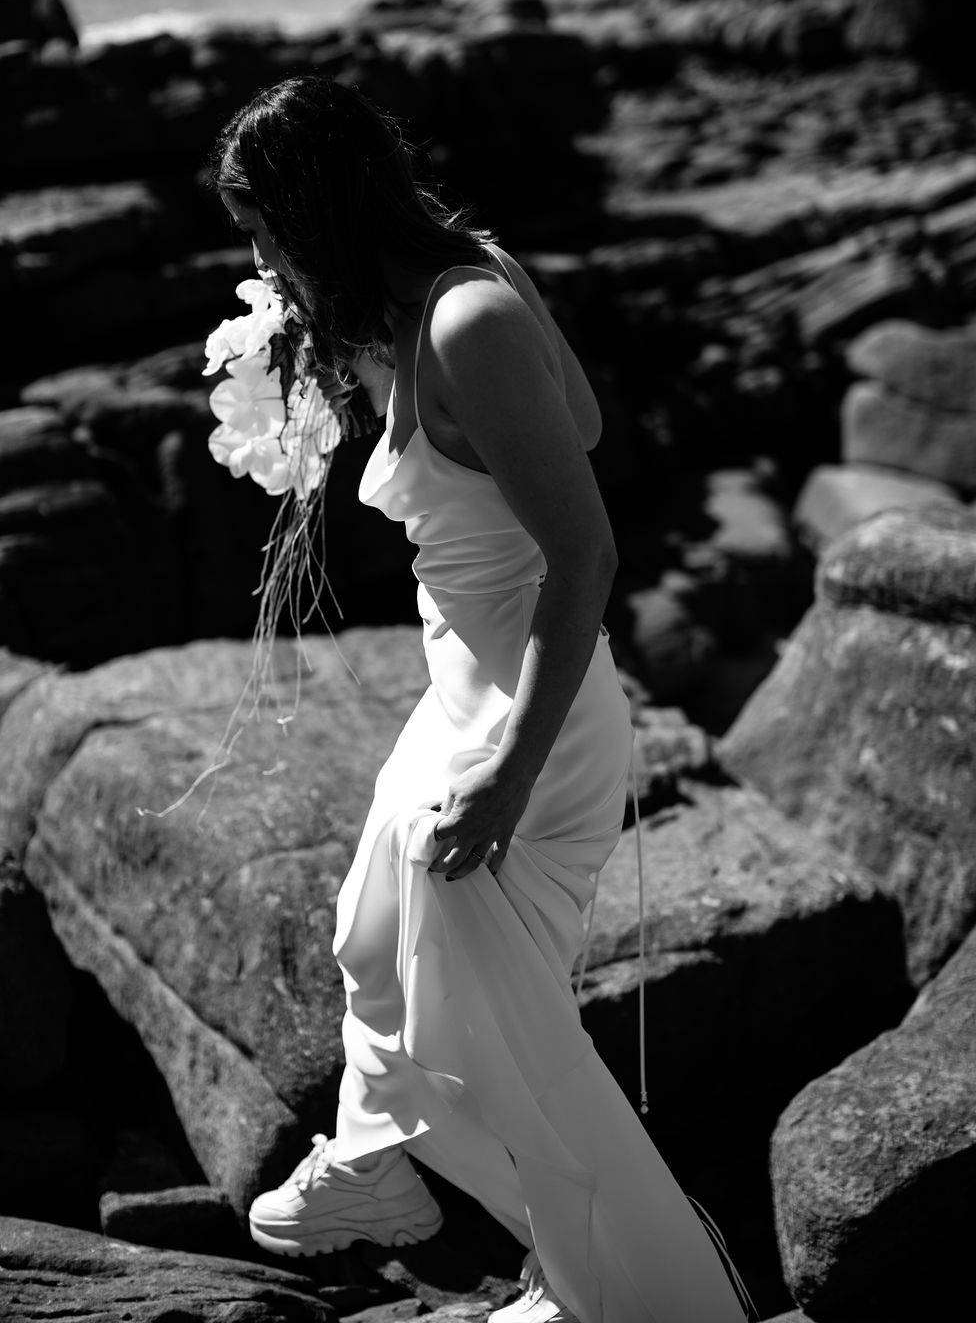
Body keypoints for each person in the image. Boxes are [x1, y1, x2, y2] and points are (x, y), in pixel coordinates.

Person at [207, 76, 753, 1323]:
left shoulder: (467, 317)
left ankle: (616, 1292)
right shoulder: (436, 297)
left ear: (321, 212)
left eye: (264, 231)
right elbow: (588, 418)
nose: (257, 259)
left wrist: (507, 771)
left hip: (528, 716)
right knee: (368, 934)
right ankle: (386, 1176)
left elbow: (590, 555)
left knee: (502, 1050)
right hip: (460, 687)